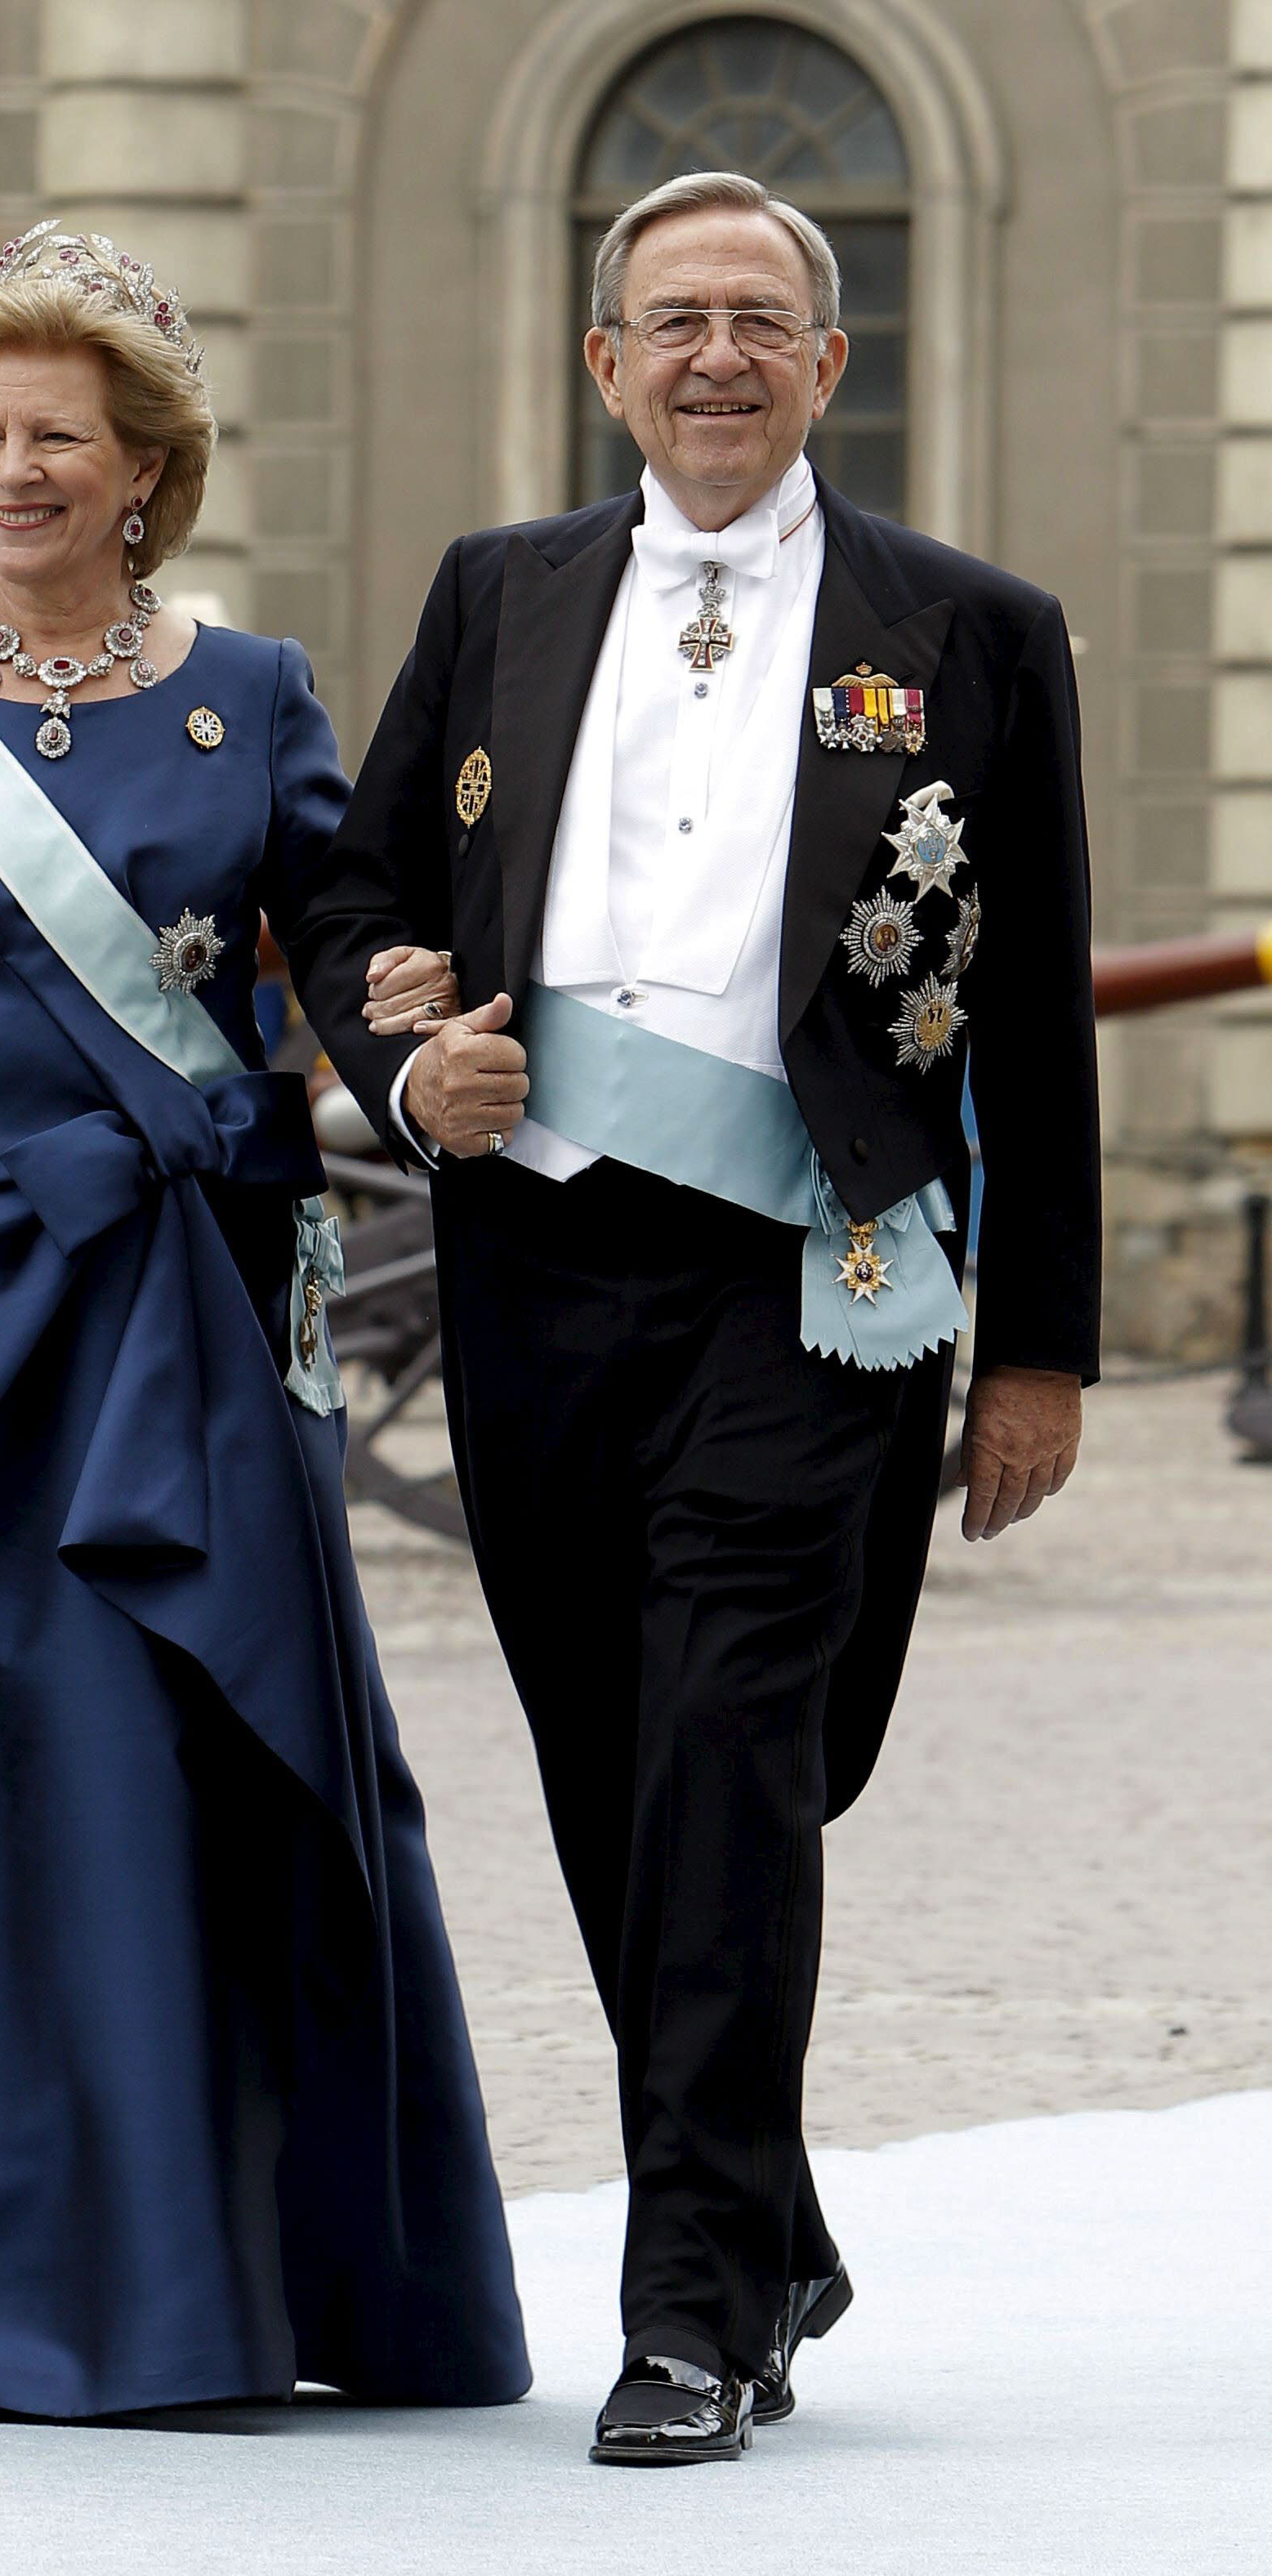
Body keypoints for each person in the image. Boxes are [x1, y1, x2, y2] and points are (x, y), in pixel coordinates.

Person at [0, 222, 527, 2425]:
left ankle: (241, 2291)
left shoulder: (258, 690)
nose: (12, 474)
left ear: (147, 466)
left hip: (197, 1298)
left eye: (56, 438)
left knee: (205, 1764)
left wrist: (407, 1047)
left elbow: (336, 942)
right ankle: (2, 2293)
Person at [287, 170, 1100, 2465]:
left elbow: (1033, 1012)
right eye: (676, 320)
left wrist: (1039, 1346)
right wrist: (397, 1054)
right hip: (542, 1265)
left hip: (809, 1278)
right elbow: (361, 891)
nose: (719, 355)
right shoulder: (500, 593)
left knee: (738, 1752)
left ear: (833, 365)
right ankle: (767, 2215)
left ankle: (687, 2312)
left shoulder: (970, 628)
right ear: (607, 364)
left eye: (764, 318)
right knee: (609, 1770)